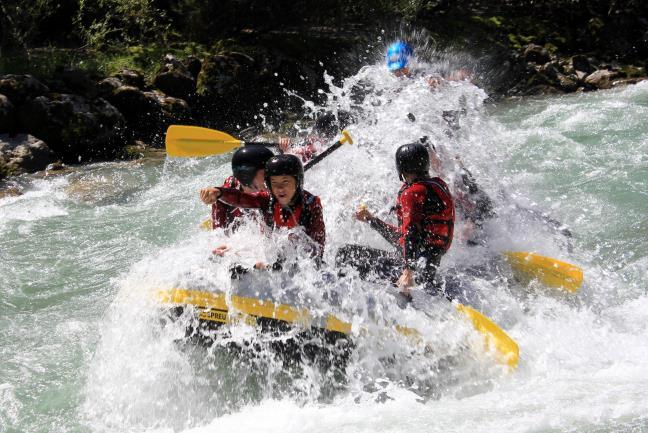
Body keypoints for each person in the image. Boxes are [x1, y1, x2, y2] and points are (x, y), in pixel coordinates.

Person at [336, 141, 455, 298]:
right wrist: (372, 220)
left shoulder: (411, 193)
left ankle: (350, 305)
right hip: (427, 269)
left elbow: (411, 234)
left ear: (401, 168)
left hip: (414, 273)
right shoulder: (439, 185)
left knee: (344, 255)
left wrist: (407, 272)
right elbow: (405, 238)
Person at [201, 154, 326, 268]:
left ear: (298, 182)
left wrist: (281, 267)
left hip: (299, 261)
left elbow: (317, 249)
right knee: (232, 256)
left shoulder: (311, 205)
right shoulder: (268, 199)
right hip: (269, 254)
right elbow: (241, 198)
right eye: (274, 183)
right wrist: (219, 192)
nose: (279, 188)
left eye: (285, 182)